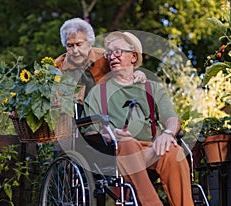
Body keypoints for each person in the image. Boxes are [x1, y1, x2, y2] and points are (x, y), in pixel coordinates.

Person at [83, 31, 194, 206]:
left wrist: (167, 134)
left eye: (118, 51)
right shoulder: (99, 92)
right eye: (109, 53)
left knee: (174, 151)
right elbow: (89, 131)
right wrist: (110, 134)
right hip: (118, 152)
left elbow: (172, 119)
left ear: (133, 57)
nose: (112, 57)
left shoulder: (152, 88)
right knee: (128, 143)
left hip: (151, 149)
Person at [55, 18, 146, 102]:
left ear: (90, 43)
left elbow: (124, 69)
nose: (75, 51)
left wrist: (136, 73)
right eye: (70, 46)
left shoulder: (105, 57)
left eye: (79, 44)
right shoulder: (57, 67)